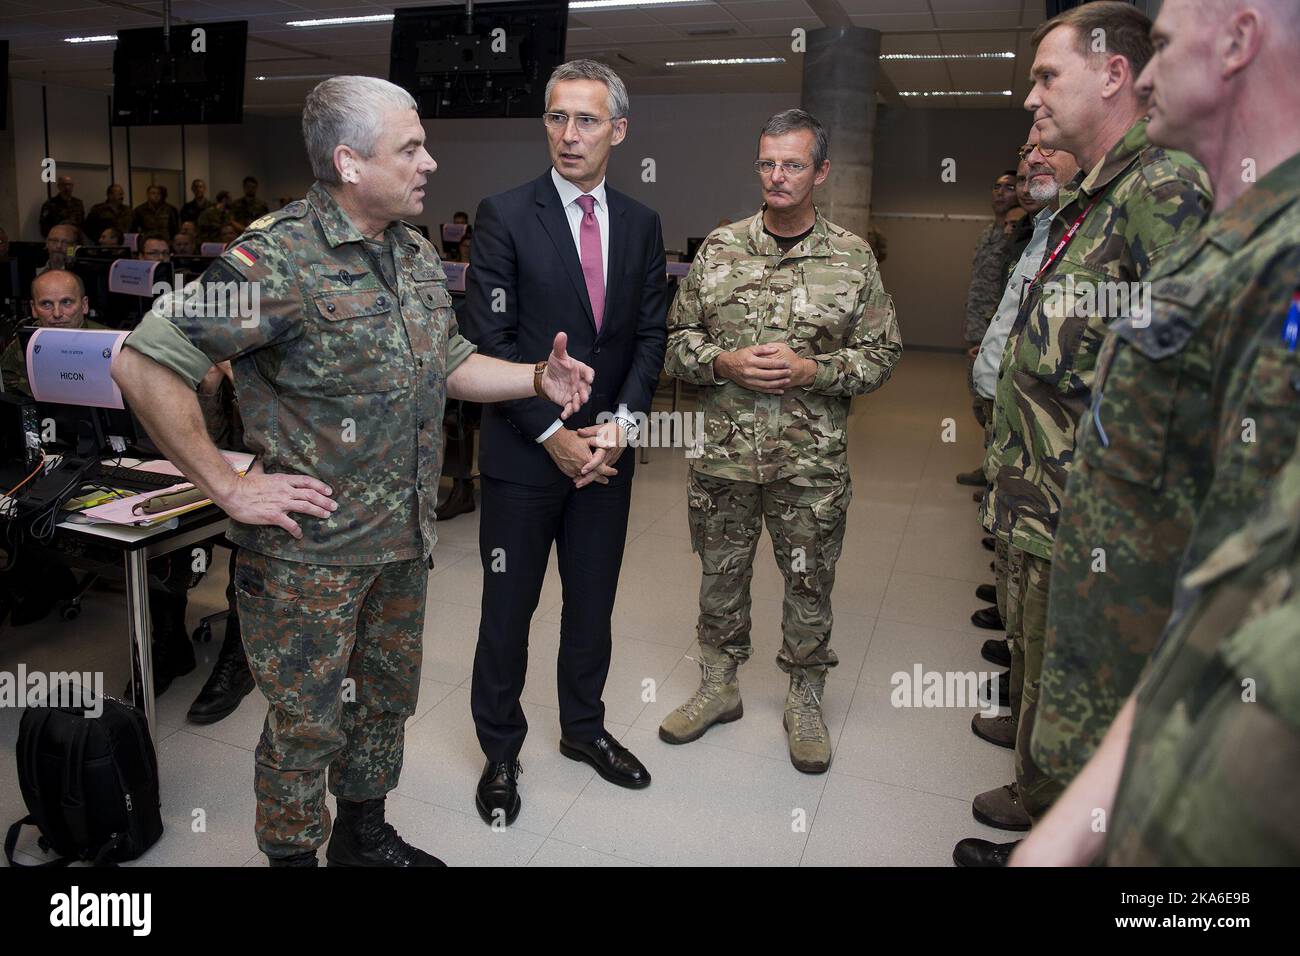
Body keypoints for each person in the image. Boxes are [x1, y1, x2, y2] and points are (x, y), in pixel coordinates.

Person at [111, 74, 596, 868]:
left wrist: (535, 381)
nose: (429, 163)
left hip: (401, 541)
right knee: (305, 723)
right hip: (310, 556)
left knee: (383, 704)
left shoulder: (409, 250)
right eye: (410, 148)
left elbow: (447, 361)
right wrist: (228, 486)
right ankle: (294, 858)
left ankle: (362, 836)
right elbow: (144, 364)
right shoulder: (277, 258)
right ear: (349, 162)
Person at [1019, 0, 1300, 863]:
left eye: (1164, 47)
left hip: (1188, 759)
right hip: (1130, 711)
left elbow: (1250, 572)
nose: (1144, 74)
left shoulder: (1278, 259)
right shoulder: (1222, 240)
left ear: (1240, 41)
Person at [958, 0, 1212, 868]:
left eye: (1045, 76)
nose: (1031, 99)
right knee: (1039, 668)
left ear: (1112, 74)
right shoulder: (1088, 196)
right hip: (1042, 498)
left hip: (1094, 520)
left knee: (1085, 697)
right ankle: (1041, 802)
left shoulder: (1163, 192)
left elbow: (1188, 381)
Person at [659, 108, 902, 773]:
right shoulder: (719, 248)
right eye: (767, 162)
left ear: (820, 171)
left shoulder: (851, 258)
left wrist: (814, 372)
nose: (777, 175)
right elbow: (674, 342)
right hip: (725, 459)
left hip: (808, 463)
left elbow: (883, 353)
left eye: (792, 164)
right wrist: (723, 363)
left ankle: (804, 698)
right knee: (720, 578)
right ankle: (719, 685)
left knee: (808, 581)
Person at [464, 59, 667, 827]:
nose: (569, 134)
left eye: (586, 120)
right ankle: (501, 751)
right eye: (556, 117)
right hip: (524, 457)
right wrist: (552, 434)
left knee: (592, 606)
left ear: (618, 130)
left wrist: (620, 428)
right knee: (506, 610)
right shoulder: (505, 214)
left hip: (606, 461)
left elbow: (651, 337)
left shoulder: (643, 223)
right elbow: (489, 340)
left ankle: (584, 731)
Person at [967, 130, 1079, 772]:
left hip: (1060, 456)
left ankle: (1041, 784)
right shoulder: (1044, 228)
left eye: (1047, 145)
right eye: (1024, 151)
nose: (1030, 159)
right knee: (1023, 594)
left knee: (1046, 612)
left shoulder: (1104, 220)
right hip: (1025, 436)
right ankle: (1022, 711)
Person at [954, 169, 1019, 487]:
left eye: (1009, 187)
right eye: (996, 186)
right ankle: (989, 465)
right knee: (981, 402)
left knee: (995, 405)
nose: (1000, 192)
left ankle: (998, 477)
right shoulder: (988, 232)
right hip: (978, 328)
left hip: (999, 331)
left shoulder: (1019, 235)